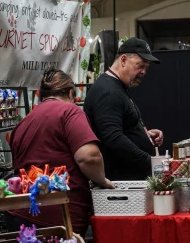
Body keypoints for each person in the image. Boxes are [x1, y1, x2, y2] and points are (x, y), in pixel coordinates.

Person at [7, 68, 114, 237]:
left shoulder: (24, 122)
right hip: (59, 217)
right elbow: (89, 157)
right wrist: (102, 180)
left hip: (21, 214)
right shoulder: (70, 112)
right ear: (71, 93)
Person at [84, 37, 163, 181]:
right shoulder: (106, 91)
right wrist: (150, 162)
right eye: (140, 65)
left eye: (147, 67)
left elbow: (121, 127)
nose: (143, 72)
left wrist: (145, 135)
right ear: (123, 60)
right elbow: (113, 138)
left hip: (130, 180)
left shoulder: (118, 87)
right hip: (120, 185)